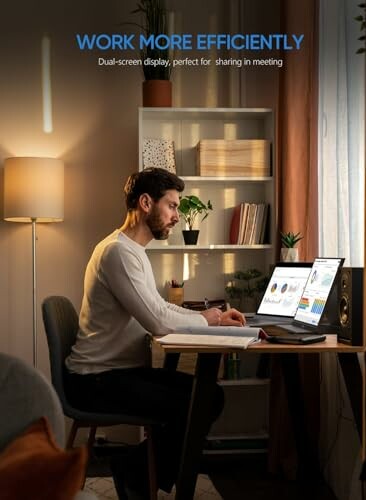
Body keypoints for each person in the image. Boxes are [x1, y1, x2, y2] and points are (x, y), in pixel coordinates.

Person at [65, 167, 246, 499]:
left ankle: (134, 469)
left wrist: (210, 317)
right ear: (146, 203)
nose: (177, 216)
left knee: (208, 396)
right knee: (202, 401)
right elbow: (158, 321)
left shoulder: (133, 252)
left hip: (114, 373)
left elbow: (159, 307)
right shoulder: (118, 252)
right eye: (173, 206)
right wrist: (208, 320)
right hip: (95, 381)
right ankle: (135, 472)